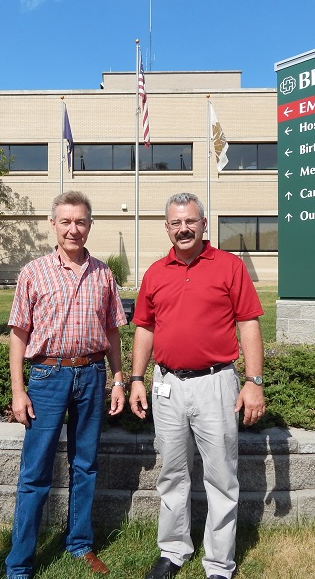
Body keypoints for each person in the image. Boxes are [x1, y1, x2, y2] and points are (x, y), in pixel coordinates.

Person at [128, 192, 265, 579]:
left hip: (215, 383)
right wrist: (137, 378)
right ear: (167, 228)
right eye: (176, 222)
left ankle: (219, 564)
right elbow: (144, 327)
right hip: (167, 384)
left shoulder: (229, 266)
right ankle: (173, 550)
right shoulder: (155, 272)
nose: (183, 228)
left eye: (190, 221)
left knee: (221, 475)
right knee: (172, 473)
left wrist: (254, 381)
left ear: (204, 224)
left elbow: (249, 323)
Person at [5, 191, 127, 579]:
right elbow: (18, 334)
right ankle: (20, 562)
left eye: (81, 222)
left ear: (89, 225)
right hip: (46, 378)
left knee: (85, 465)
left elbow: (112, 331)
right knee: (36, 471)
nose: (73, 229)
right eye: (66, 222)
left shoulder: (103, 273)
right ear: (54, 225)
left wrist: (119, 378)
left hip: (91, 375)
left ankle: (79, 543)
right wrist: (18, 390)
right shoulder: (33, 271)